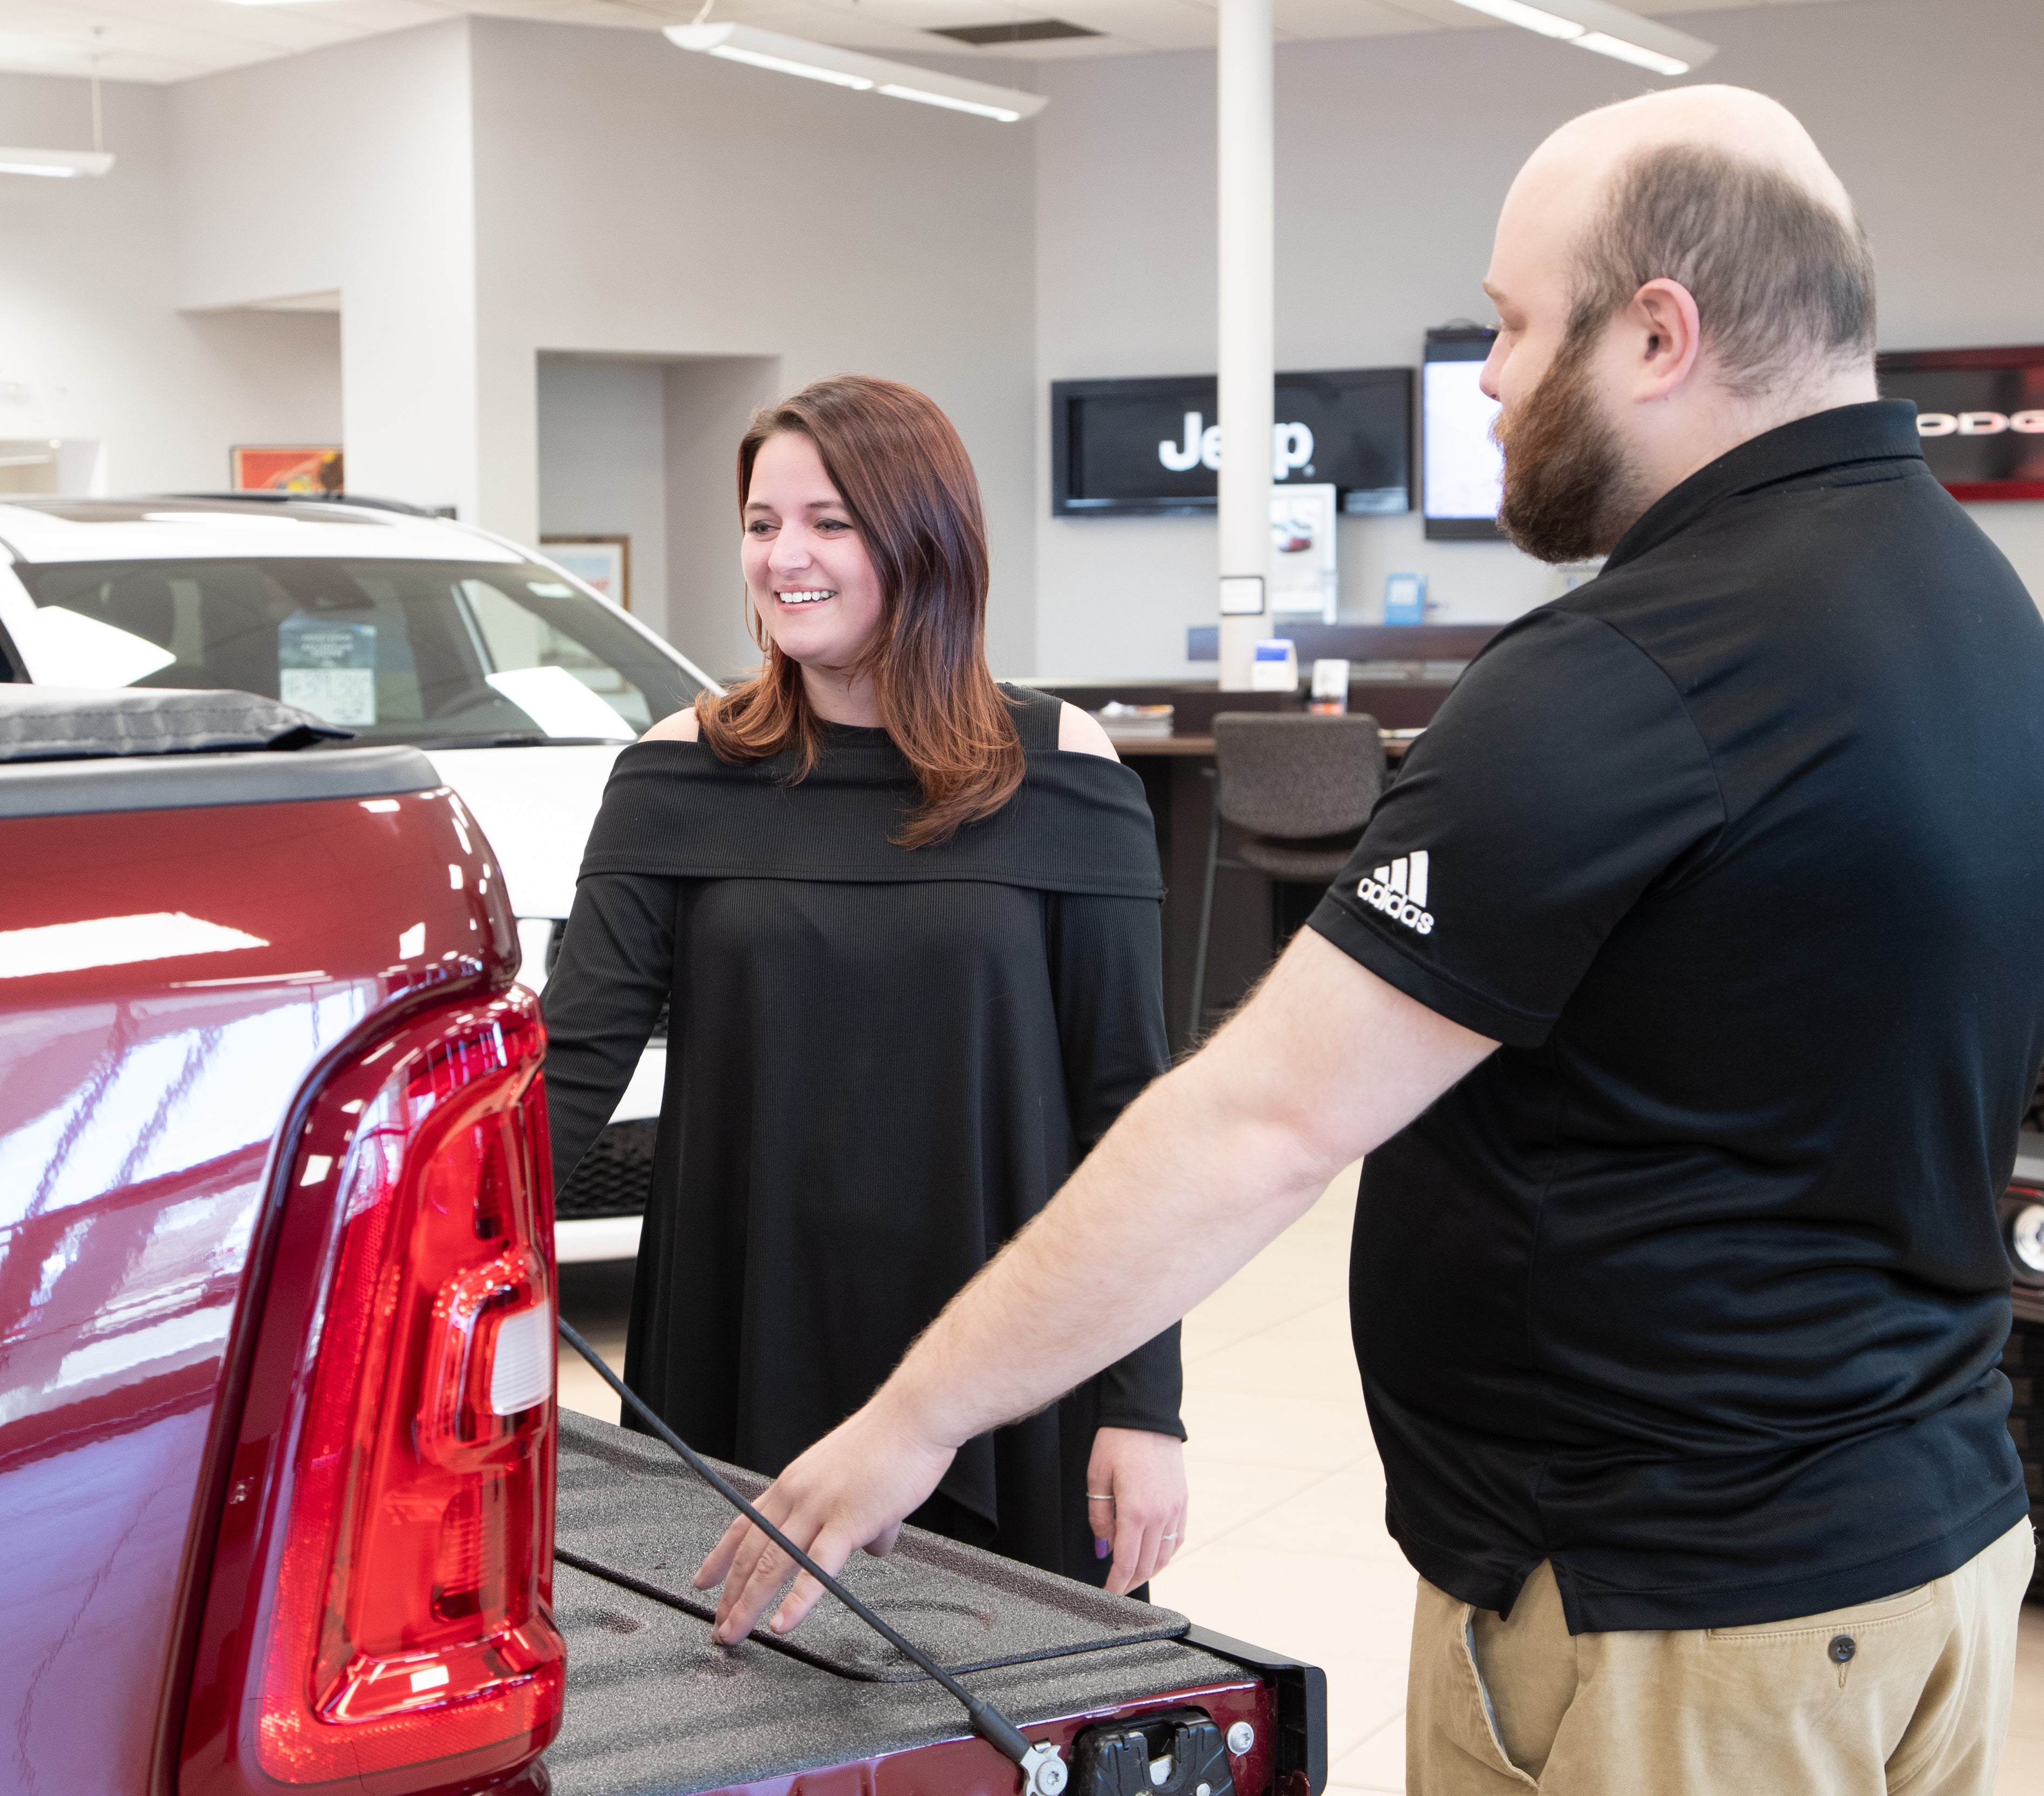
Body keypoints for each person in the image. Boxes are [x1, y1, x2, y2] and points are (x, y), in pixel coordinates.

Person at [697, 90, 2044, 1795]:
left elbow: (1263, 1118)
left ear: (1657, 334)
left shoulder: (1629, 676)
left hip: (1678, 1622)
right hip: (1923, 1553)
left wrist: (913, 1419)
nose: (1487, 380)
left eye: (1511, 324)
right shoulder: (1981, 609)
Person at [541, 374, 1188, 1596]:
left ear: (924, 539)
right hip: (743, 1330)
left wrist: (1144, 1406)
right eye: (762, 522)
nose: (783, 556)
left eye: (828, 523)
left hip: (1004, 1347)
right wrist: (405, 1272)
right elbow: (566, 1070)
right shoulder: (676, 775)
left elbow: (1127, 1111)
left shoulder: (1061, 771)